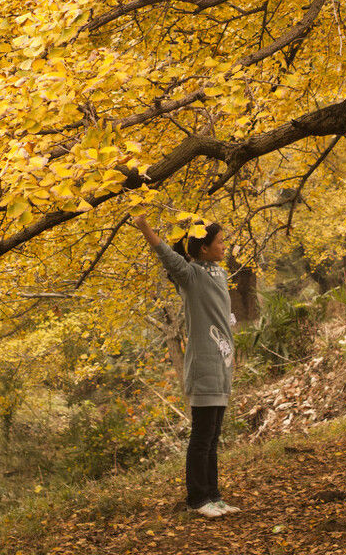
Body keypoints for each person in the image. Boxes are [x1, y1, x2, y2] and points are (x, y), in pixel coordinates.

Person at [133, 215, 241, 518]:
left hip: (222, 365)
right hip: (204, 366)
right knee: (202, 436)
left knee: (213, 437)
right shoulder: (191, 275)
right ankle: (198, 499)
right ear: (203, 248)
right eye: (219, 241)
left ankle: (214, 495)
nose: (223, 246)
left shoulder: (219, 273)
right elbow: (169, 255)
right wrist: (145, 227)